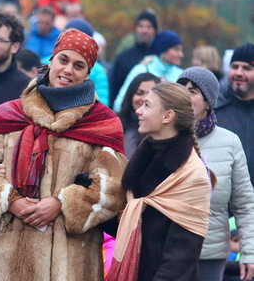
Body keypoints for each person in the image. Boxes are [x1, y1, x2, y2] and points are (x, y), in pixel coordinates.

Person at [0, 28, 127, 281]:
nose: (68, 70)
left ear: (87, 73)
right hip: (6, 257)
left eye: (78, 65)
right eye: (63, 60)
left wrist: (62, 204)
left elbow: (115, 188)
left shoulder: (102, 123)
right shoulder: (9, 113)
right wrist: (11, 200)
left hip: (70, 262)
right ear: (51, 61)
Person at [108, 83, 212, 281]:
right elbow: (130, 225)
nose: (138, 110)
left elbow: (180, 260)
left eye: (147, 105)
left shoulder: (192, 176)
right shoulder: (144, 156)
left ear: (167, 116)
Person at [177, 67, 254, 281]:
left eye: (192, 91)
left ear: (209, 100)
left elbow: (245, 203)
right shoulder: (160, 137)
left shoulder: (229, 142)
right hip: (166, 251)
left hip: (210, 255)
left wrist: (249, 252)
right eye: (180, 89)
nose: (185, 96)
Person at [113, 30, 184, 111]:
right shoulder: (141, 69)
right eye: (176, 49)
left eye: (181, 50)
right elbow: (119, 104)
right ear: (163, 50)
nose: (181, 55)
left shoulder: (181, 75)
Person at [215, 43, 254, 186]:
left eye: (247, 68)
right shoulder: (214, 109)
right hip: (225, 201)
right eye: (235, 67)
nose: (238, 73)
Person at [108, 10, 158, 107]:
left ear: (155, 31)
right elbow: (114, 88)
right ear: (135, 29)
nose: (144, 30)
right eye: (141, 26)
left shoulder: (160, 59)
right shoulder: (123, 57)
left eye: (149, 27)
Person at [117, 73, 161, 158]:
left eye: (150, 95)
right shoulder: (114, 123)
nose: (144, 99)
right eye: (139, 93)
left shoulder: (161, 132)